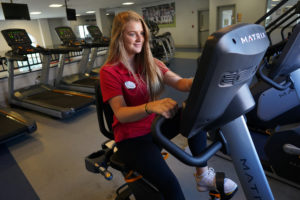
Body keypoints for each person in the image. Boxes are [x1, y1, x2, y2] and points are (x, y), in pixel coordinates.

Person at [100, 10, 238, 200]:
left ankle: (203, 176)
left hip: (154, 128)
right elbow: (120, 113)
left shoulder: (151, 63)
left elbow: (181, 83)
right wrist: (150, 107)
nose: (139, 38)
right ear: (119, 37)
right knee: (170, 185)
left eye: (141, 33)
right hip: (131, 140)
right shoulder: (109, 72)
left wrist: (206, 78)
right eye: (132, 34)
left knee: (193, 112)